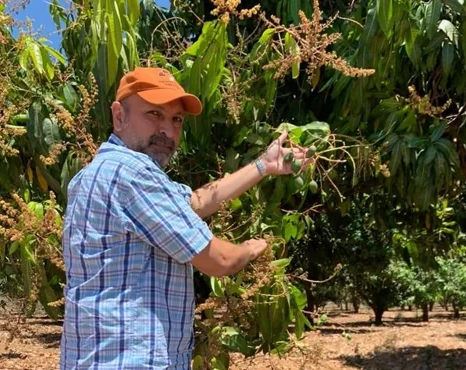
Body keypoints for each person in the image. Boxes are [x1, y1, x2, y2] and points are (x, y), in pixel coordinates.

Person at [59, 67, 309, 370]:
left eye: (176, 119)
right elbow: (220, 261)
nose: (167, 130)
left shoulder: (97, 173)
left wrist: (264, 165)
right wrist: (251, 249)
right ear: (119, 116)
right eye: (154, 114)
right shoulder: (131, 173)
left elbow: (198, 201)